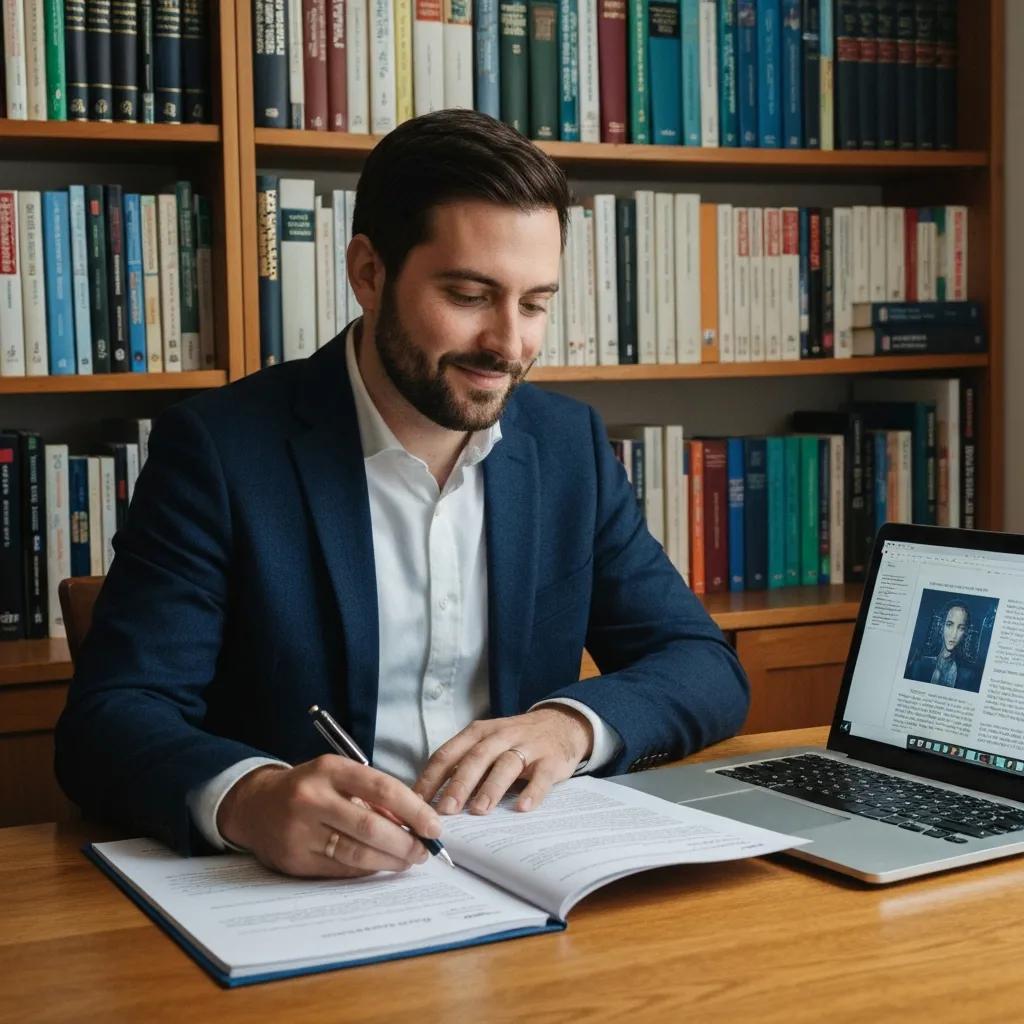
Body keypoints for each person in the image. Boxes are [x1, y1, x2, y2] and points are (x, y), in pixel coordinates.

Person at [55, 110, 749, 880]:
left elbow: (703, 663)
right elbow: (109, 722)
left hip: (527, 872)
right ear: (368, 272)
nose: (509, 344)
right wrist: (252, 800)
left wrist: (569, 727)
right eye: (468, 294)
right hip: (300, 897)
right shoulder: (219, 450)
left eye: (534, 303)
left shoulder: (567, 447)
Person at [906, 600, 980, 693]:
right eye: (949, 625)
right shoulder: (921, 663)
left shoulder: (967, 675)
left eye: (961, 628)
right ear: (942, 626)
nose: (954, 634)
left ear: (965, 633)